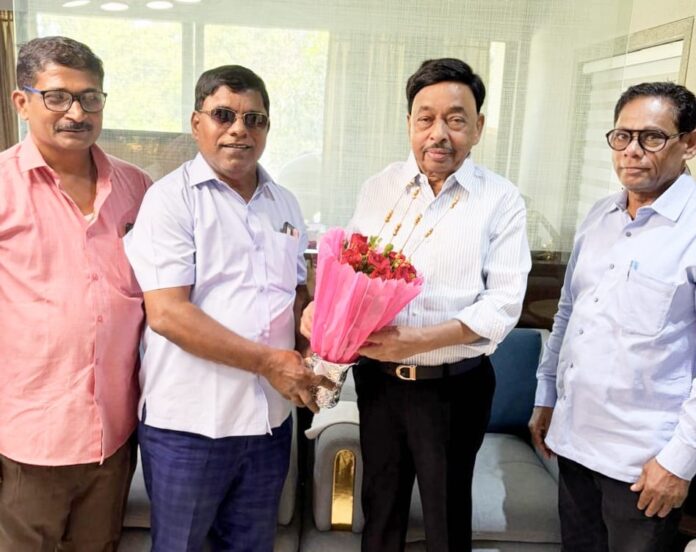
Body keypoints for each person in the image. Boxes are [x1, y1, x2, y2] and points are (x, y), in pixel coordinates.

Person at [302, 58, 531, 552]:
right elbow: (353, 272)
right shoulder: (378, 188)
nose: (439, 133)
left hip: (454, 387)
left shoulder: (501, 199)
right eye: (426, 118)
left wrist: (419, 340)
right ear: (409, 123)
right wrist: (324, 312)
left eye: (455, 119)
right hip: (380, 386)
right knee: (379, 510)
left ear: (478, 127)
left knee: (446, 520)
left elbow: (503, 304)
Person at [124, 64, 332, 552]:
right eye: (224, 115)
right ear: (197, 123)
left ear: (267, 128)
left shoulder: (284, 203)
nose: (240, 129)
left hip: (267, 424)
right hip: (189, 428)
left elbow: (293, 294)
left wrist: (314, 341)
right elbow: (168, 314)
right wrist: (270, 362)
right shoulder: (170, 200)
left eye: (254, 119)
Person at [529, 81, 696, 552]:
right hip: (574, 444)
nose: (632, 151)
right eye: (622, 136)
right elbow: (568, 314)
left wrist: (680, 461)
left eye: (652, 137)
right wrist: (546, 397)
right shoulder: (600, 215)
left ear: (689, 143)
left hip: (644, 466)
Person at [0, 36, 151, 551]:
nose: (77, 113)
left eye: (90, 98)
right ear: (22, 102)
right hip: (28, 439)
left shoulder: (137, 188)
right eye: (58, 97)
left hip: (113, 436)